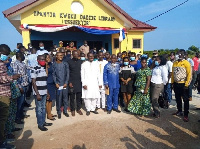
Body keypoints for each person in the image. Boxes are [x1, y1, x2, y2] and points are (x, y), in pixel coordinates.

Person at [0, 44, 20, 149]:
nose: (7, 57)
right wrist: (12, 77)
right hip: (2, 95)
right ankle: (2, 142)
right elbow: (1, 78)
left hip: (6, 94)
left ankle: (4, 138)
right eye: (5, 55)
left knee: (5, 117)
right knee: (3, 118)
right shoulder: (1, 64)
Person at [31, 55, 52, 131]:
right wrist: (37, 94)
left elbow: (44, 82)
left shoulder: (43, 68)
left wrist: (47, 93)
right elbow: (33, 82)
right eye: (41, 59)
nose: (43, 61)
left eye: (44, 59)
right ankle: (40, 124)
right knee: (39, 109)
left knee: (43, 108)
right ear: (37, 60)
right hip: (38, 93)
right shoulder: (34, 68)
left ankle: (43, 122)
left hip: (44, 92)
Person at [172, 50, 192, 122]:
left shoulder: (186, 63)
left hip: (183, 84)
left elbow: (189, 75)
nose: (178, 55)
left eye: (179, 54)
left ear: (183, 55)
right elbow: (173, 74)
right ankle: (179, 111)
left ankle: (186, 114)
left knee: (185, 100)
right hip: (176, 83)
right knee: (178, 98)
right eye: (177, 54)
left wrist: (186, 84)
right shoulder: (175, 63)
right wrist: (172, 83)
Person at [11, 52, 29, 124]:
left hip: (25, 84)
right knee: (19, 103)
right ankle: (17, 118)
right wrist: (19, 87)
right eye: (23, 55)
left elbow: (27, 70)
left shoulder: (22, 63)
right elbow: (15, 77)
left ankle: (21, 115)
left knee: (22, 102)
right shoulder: (15, 64)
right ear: (19, 56)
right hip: (20, 86)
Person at [52, 52, 69, 119]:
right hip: (58, 85)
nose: (60, 57)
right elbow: (53, 74)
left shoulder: (65, 64)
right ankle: (59, 111)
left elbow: (67, 74)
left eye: (61, 55)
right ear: (56, 56)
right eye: (59, 55)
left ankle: (65, 111)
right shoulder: (54, 64)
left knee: (65, 98)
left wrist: (66, 82)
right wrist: (56, 83)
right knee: (58, 99)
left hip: (65, 84)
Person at [68, 50, 83, 116]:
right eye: (75, 54)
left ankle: (78, 109)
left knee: (79, 97)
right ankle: (72, 109)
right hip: (72, 81)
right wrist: (69, 82)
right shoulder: (69, 62)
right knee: (72, 97)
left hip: (79, 81)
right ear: (72, 54)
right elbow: (67, 73)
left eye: (77, 54)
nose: (76, 55)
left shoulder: (81, 62)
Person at [45, 54, 56, 120]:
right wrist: (46, 66)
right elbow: (46, 75)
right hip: (47, 83)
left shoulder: (51, 64)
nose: (49, 58)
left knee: (51, 99)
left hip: (52, 83)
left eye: (49, 57)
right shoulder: (44, 66)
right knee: (48, 99)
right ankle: (48, 114)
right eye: (47, 57)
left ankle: (50, 112)